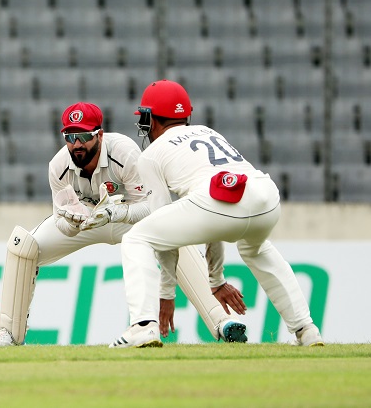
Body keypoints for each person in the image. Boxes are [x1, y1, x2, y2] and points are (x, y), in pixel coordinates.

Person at [0, 102, 247, 349]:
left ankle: (221, 322)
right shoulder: (58, 166)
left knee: (174, 234)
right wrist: (72, 223)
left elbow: (152, 208)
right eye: (70, 137)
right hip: (88, 220)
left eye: (84, 137)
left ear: (100, 134)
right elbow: (62, 225)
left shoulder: (125, 152)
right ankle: (7, 332)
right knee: (23, 246)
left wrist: (115, 213)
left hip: (128, 217)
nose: (76, 145)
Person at [115, 79, 324, 346]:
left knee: (137, 238)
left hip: (219, 199)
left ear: (149, 119)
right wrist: (215, 280)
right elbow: (215, 218)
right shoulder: (208, 131)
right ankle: (306, 330)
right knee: (256, 250)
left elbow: (167, 239)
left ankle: (143, 326)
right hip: (264, 195)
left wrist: (166, 294)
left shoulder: (151, 155)